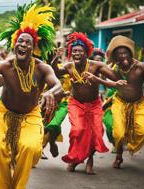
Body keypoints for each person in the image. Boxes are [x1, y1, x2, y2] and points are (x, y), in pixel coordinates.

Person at [0, 3, 62, 189]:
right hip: (3, 114)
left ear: (33, 47)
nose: (23, 44)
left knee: (31, 149)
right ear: (15, 45)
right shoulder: (5, 65)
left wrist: (49, 92)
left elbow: (58, 85)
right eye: (20, 41)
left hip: (30, 116)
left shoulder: (41, 68)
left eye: (27, 42)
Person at [52, 32, 123, 174]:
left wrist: (102, 79)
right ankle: (75, 158)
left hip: (94, 104)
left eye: (80, 51)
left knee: (95, 133)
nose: (76, 53)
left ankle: (89, 160)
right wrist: (55, 59)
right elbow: (57, 72)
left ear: (86, 53)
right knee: (77, 131)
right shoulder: (69, 66)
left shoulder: (96, 66)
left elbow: (115, 79)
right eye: (74, 51)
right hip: (76, 103)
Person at [95, 35, 144, 168]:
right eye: (119, 54)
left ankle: (131, 147)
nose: (122, 56)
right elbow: (100, 70)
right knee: (118, 133)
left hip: (138, 105)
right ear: (115, 57)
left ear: (130, 52)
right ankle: (119, 155)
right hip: (120, 103)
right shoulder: (116, 70)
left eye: (125, 52)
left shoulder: (141, 67)